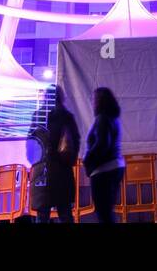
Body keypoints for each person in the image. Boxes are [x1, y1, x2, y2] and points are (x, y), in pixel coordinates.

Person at [82, 87, 125, 223]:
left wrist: (87, 162)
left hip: (103, 170)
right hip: (115, 166)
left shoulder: (102, 119)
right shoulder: (113, 118)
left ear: (100, 101)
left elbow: (102, 145)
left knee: (103, 213)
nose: (92, 102)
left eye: (94, 99)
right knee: (107, 212)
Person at [41, 87, 80, 222]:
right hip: (63, 170)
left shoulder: (41, 116)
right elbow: (76, 140)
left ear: (47, 98)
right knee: (64, 212)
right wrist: (70, 160)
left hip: (44, 172)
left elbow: (32, 143)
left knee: (43, 212)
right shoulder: (68, 117)